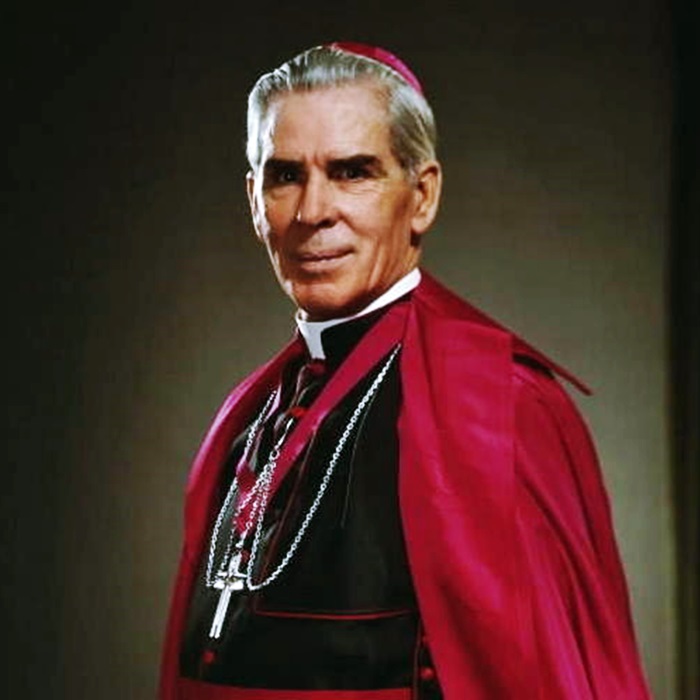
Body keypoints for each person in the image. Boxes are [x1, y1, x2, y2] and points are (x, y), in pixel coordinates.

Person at [160, 43, 651, 699]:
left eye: (352, 172)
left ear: (421, 196)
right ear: (255, 201)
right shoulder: (249, 416)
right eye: (285, 176)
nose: (312, 212)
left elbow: (547, 677)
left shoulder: (500, 404)